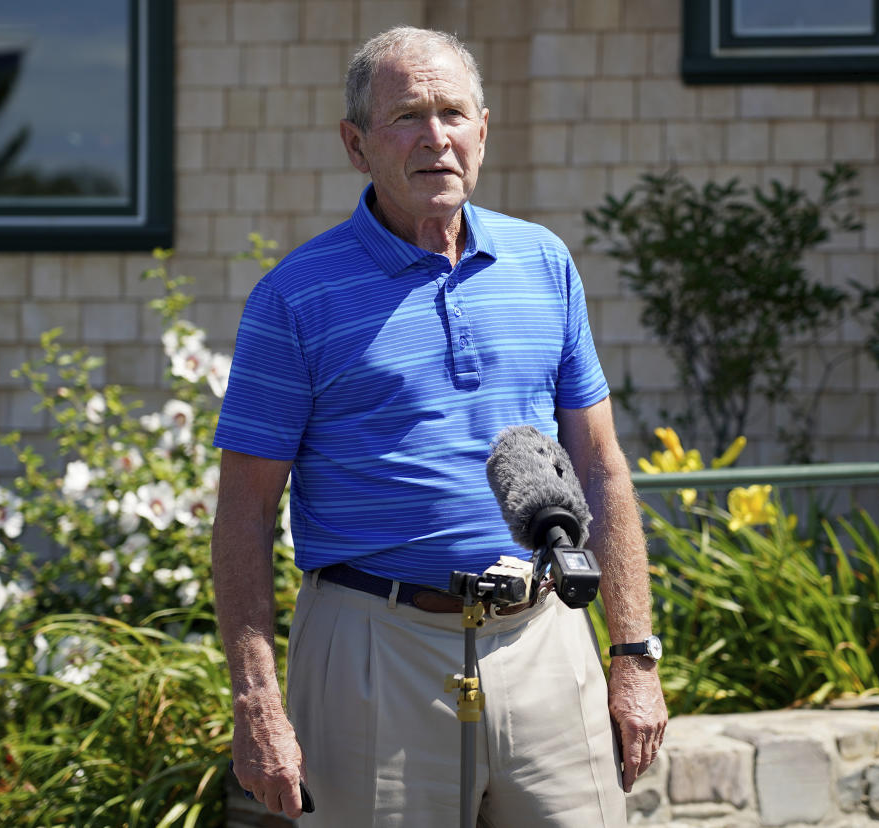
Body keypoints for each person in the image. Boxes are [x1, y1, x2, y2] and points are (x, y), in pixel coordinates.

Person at [211, 26, 667, 826]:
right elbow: (244, 512)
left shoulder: (545, 264)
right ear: (356, 145)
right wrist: (257, 702)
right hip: (371, 652)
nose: (435, 138)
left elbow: (599, 464)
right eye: (407, 117)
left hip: (545, 640)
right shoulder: (294, 298)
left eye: (453, 114)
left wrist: (632, 657)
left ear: (483, 131)